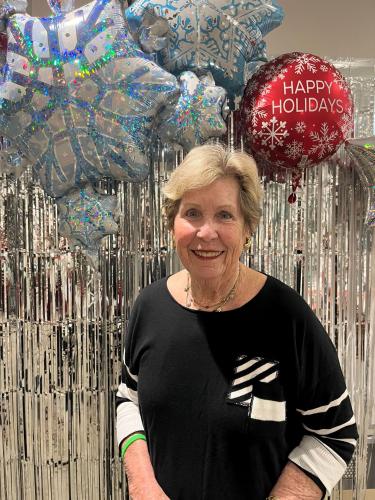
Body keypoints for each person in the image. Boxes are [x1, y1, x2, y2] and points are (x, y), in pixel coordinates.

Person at [116, 144, 358, 500]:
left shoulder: (286, 316)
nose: (206, 232)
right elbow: (128, 397)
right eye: (193, 213)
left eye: (225, 215)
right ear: (172, 225)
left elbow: (335, 433)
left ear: (248, 228)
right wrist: (142, 486)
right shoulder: (150, 306)